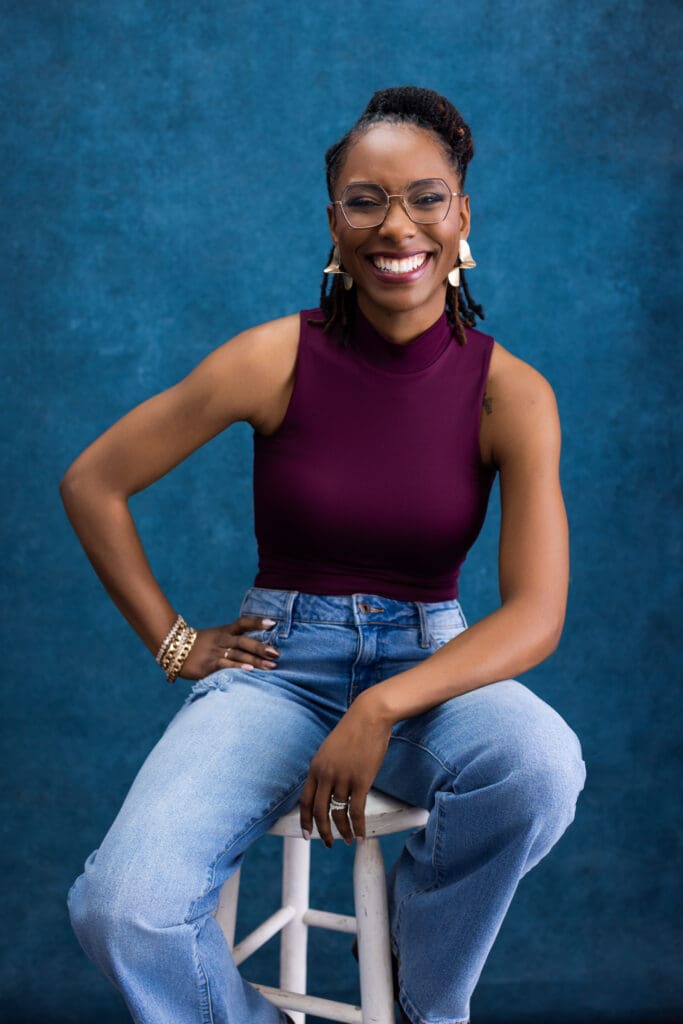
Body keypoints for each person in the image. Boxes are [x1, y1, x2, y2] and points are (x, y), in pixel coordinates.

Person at [62, 86, 587, 1024]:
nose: (398, 226)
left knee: (541, 766)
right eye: (365, 200)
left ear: (460, 214)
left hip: (433, 672)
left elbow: (535, 614)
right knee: (122, 907)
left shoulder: (511, 393)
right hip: (277, 675)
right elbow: (92, 482)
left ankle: (427, 998)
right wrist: (179, 645)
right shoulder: (272, 358)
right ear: (334, 221)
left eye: (425, 197)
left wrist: (384, 704)